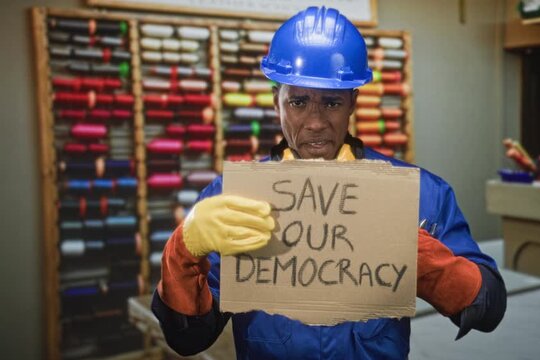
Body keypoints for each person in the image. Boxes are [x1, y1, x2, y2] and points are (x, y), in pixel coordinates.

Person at [152, 6, 506, 359]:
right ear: (276, 100)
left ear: (353, 101)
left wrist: (426, 263)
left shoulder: (417, 195)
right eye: (299, 102)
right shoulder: (232, 198)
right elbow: (188, 339)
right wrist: (184, 250)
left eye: (332, 102)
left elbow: (487, 307)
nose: (316, 121)